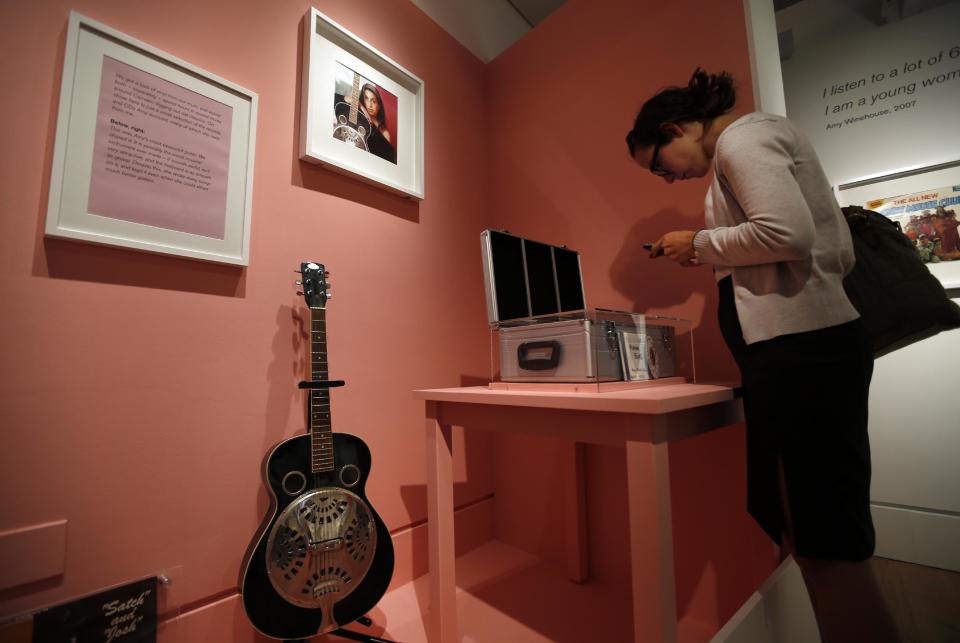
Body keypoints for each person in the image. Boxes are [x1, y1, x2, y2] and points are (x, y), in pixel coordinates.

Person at [625, 68, 900, 642]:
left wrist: (697, 244)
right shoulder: (750, 143)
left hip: (804, 361)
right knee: (818, 533)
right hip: (801, 359)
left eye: (659, 165)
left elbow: (788, 234)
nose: (667, 179)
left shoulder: (742, 139)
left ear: (674, 127)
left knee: (827, 541)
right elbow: (831, 250)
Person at [334, 83, 397, 164]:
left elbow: (385, 161)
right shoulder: (359, 116)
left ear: (379, 105)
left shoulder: (384, 133)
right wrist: (360, 105)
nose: (370, 105)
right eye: (366, 99)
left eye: (374, 101)